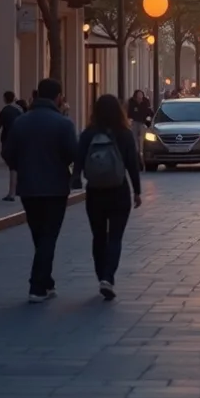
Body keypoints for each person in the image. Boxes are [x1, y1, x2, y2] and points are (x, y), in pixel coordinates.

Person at [2, 78, 78, 303]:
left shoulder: (21, 122)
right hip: (55, 188)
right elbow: (73, 154)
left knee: (39, 235)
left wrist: (21, 167)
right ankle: (36, 286)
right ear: (58, 97)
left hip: (28, 188)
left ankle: (47, 282)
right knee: (48, 236)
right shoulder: (63, 124)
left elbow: (8, 153)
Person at [74, 93, 141, 301]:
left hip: (95, 191)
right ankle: (108, 278)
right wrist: (137, 191)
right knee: (115, 237)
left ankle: (101, 275)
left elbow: (78, 159)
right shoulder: (124, 133)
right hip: (119, 191)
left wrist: (75, 179)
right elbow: (132, 164)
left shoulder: (88, 134)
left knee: (98, 236)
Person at [0, 91, 23, 201]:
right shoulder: (19, 110)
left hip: (7, 139)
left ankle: (12, 192)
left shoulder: (5, 111)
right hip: (18, 139)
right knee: (13, 165)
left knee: (12, 165)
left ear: (4, 99)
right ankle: (14, 189)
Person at [126, 89, 153, 167]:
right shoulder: (131, 102)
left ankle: (141, 155)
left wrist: (148, 120)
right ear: (135, 96)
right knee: (135, 139)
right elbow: (129, 112)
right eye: (138, 95)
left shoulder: (145, 102)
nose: (140, 97)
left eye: (141, 95)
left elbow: (149, 111)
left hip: (142, 122)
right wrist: (129, 119)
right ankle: (137, 154)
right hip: (134, 122)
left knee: (142, 139)